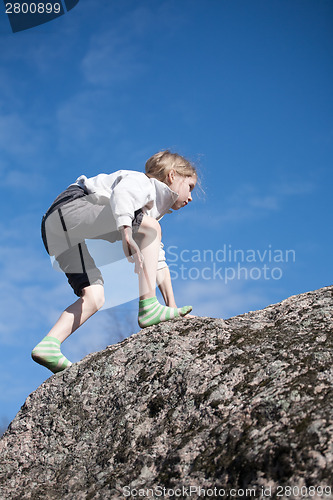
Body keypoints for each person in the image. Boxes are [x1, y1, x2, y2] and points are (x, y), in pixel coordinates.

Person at [31, 150, 197, 374]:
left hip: (55, 230)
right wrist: (126, 231)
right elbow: (122, 194)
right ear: (172, 176)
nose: (191, 197)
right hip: (69, 207)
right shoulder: (143, 183)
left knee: (94, 297)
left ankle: (49, 345)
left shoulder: (148, 215)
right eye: (190, 187)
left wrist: (173, 308)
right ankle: (148, 307)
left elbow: (156, 260)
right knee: (151, 229)